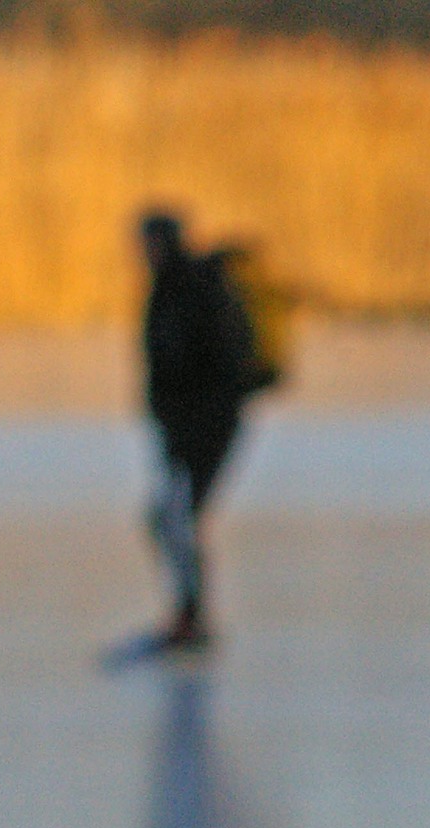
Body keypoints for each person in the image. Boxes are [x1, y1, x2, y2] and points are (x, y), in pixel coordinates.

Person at [137, 210, 254, 651]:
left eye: (148, 241)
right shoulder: (172, 284)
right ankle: (188, 616)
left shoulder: (192, 286)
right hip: (188, 427)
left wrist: (191, 425)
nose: (141, 252)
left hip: (205, 426)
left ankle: (191, 620)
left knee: (176, 520)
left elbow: (212, 363)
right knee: (175, 520)